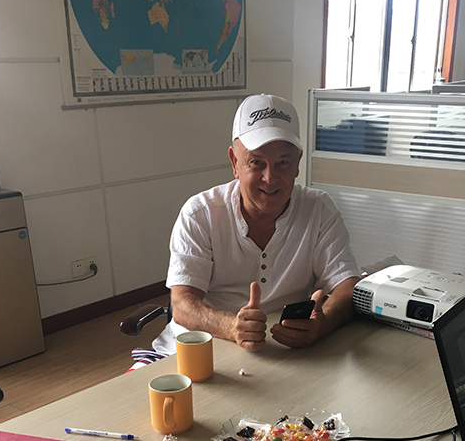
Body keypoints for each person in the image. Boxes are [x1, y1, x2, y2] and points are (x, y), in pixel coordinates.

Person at [152, 94, 361, 355]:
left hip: (281, 352)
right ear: (234, 162)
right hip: (195, 349)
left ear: (297, 163)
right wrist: (232, 327)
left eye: (283, 162)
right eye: (256, 162)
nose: (270, 178)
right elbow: (182, 304)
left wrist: (323, 322)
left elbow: (348, 285)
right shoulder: (200, 213)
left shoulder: (319, 209)